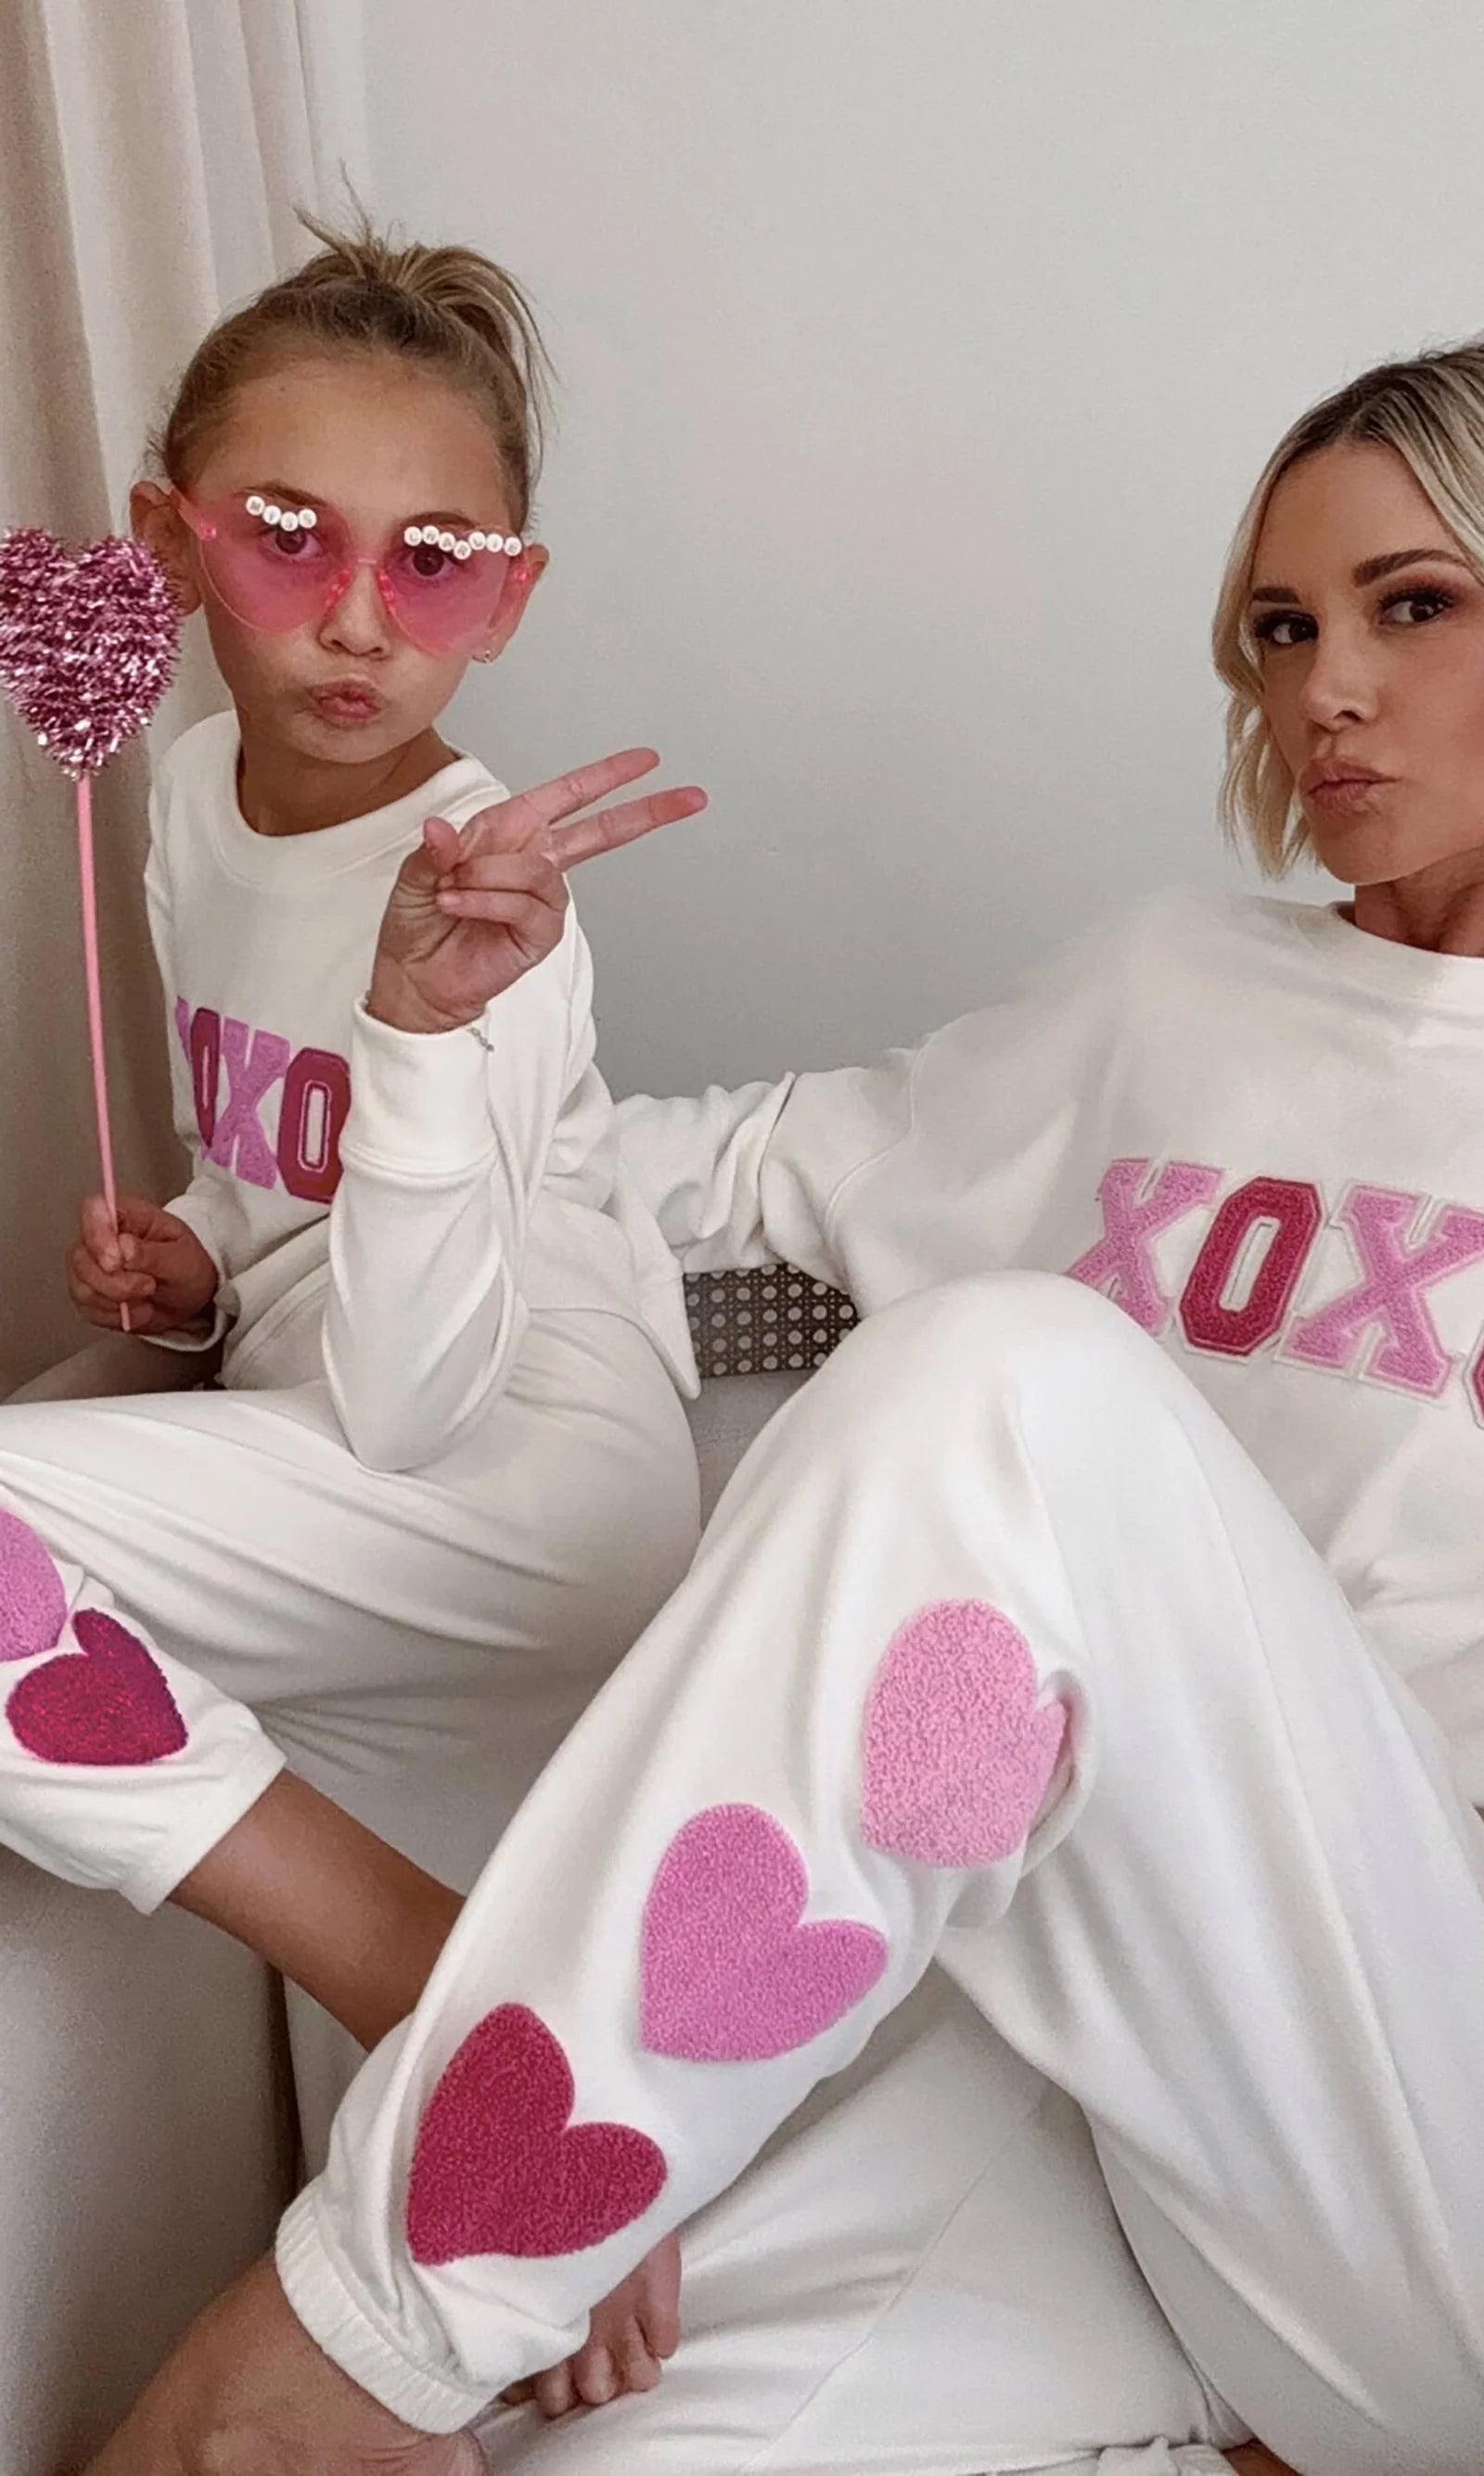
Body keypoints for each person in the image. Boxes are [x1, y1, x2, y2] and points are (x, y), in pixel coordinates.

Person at [76, 325, 1484, 2476]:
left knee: (1004, 1377)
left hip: (1483, 2140)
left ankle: (342, 2335)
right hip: (1076, 2077)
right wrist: (326, 1159)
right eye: (1279, 627)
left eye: (1409, 605)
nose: (1323, 692)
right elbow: (682, 1178)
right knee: (573, 2440)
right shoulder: (1170, 991)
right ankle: (451, 2321)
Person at [0, 219, 709, 2409]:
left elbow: (414, 1400)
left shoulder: (493, 906)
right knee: (443, 2284)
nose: (354, 616)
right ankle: (475, 2025)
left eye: (441, 563)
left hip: (508, 1482)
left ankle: (440, 1978)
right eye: (289, 539)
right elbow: (263, 1168)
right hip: (330, 1455)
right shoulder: (187, 802)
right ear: (168, 543)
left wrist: (417, 1021)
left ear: (513, 593)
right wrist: (205, 1257)